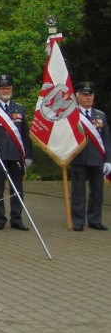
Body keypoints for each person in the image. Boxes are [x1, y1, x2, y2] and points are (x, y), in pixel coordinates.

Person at [0, 74, 32, 231]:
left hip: (16, 155)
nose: (5, 90)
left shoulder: (20, 108)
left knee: (17, 189)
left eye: (8, 88)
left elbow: (25, 134)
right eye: (2, 88)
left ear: (12, 89)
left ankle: (16, 218)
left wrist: (28, 155)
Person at [69, 81, 111, 231]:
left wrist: (108, 160)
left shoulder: (100, 115)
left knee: (97, 192)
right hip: (78, 158)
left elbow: (106, 139)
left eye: (90, 95)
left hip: (97, 159)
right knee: (78, 192)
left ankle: (94, 220)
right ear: (77, 96)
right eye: (84, 95)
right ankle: (78, 221)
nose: (88, 98)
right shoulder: (72, 116)